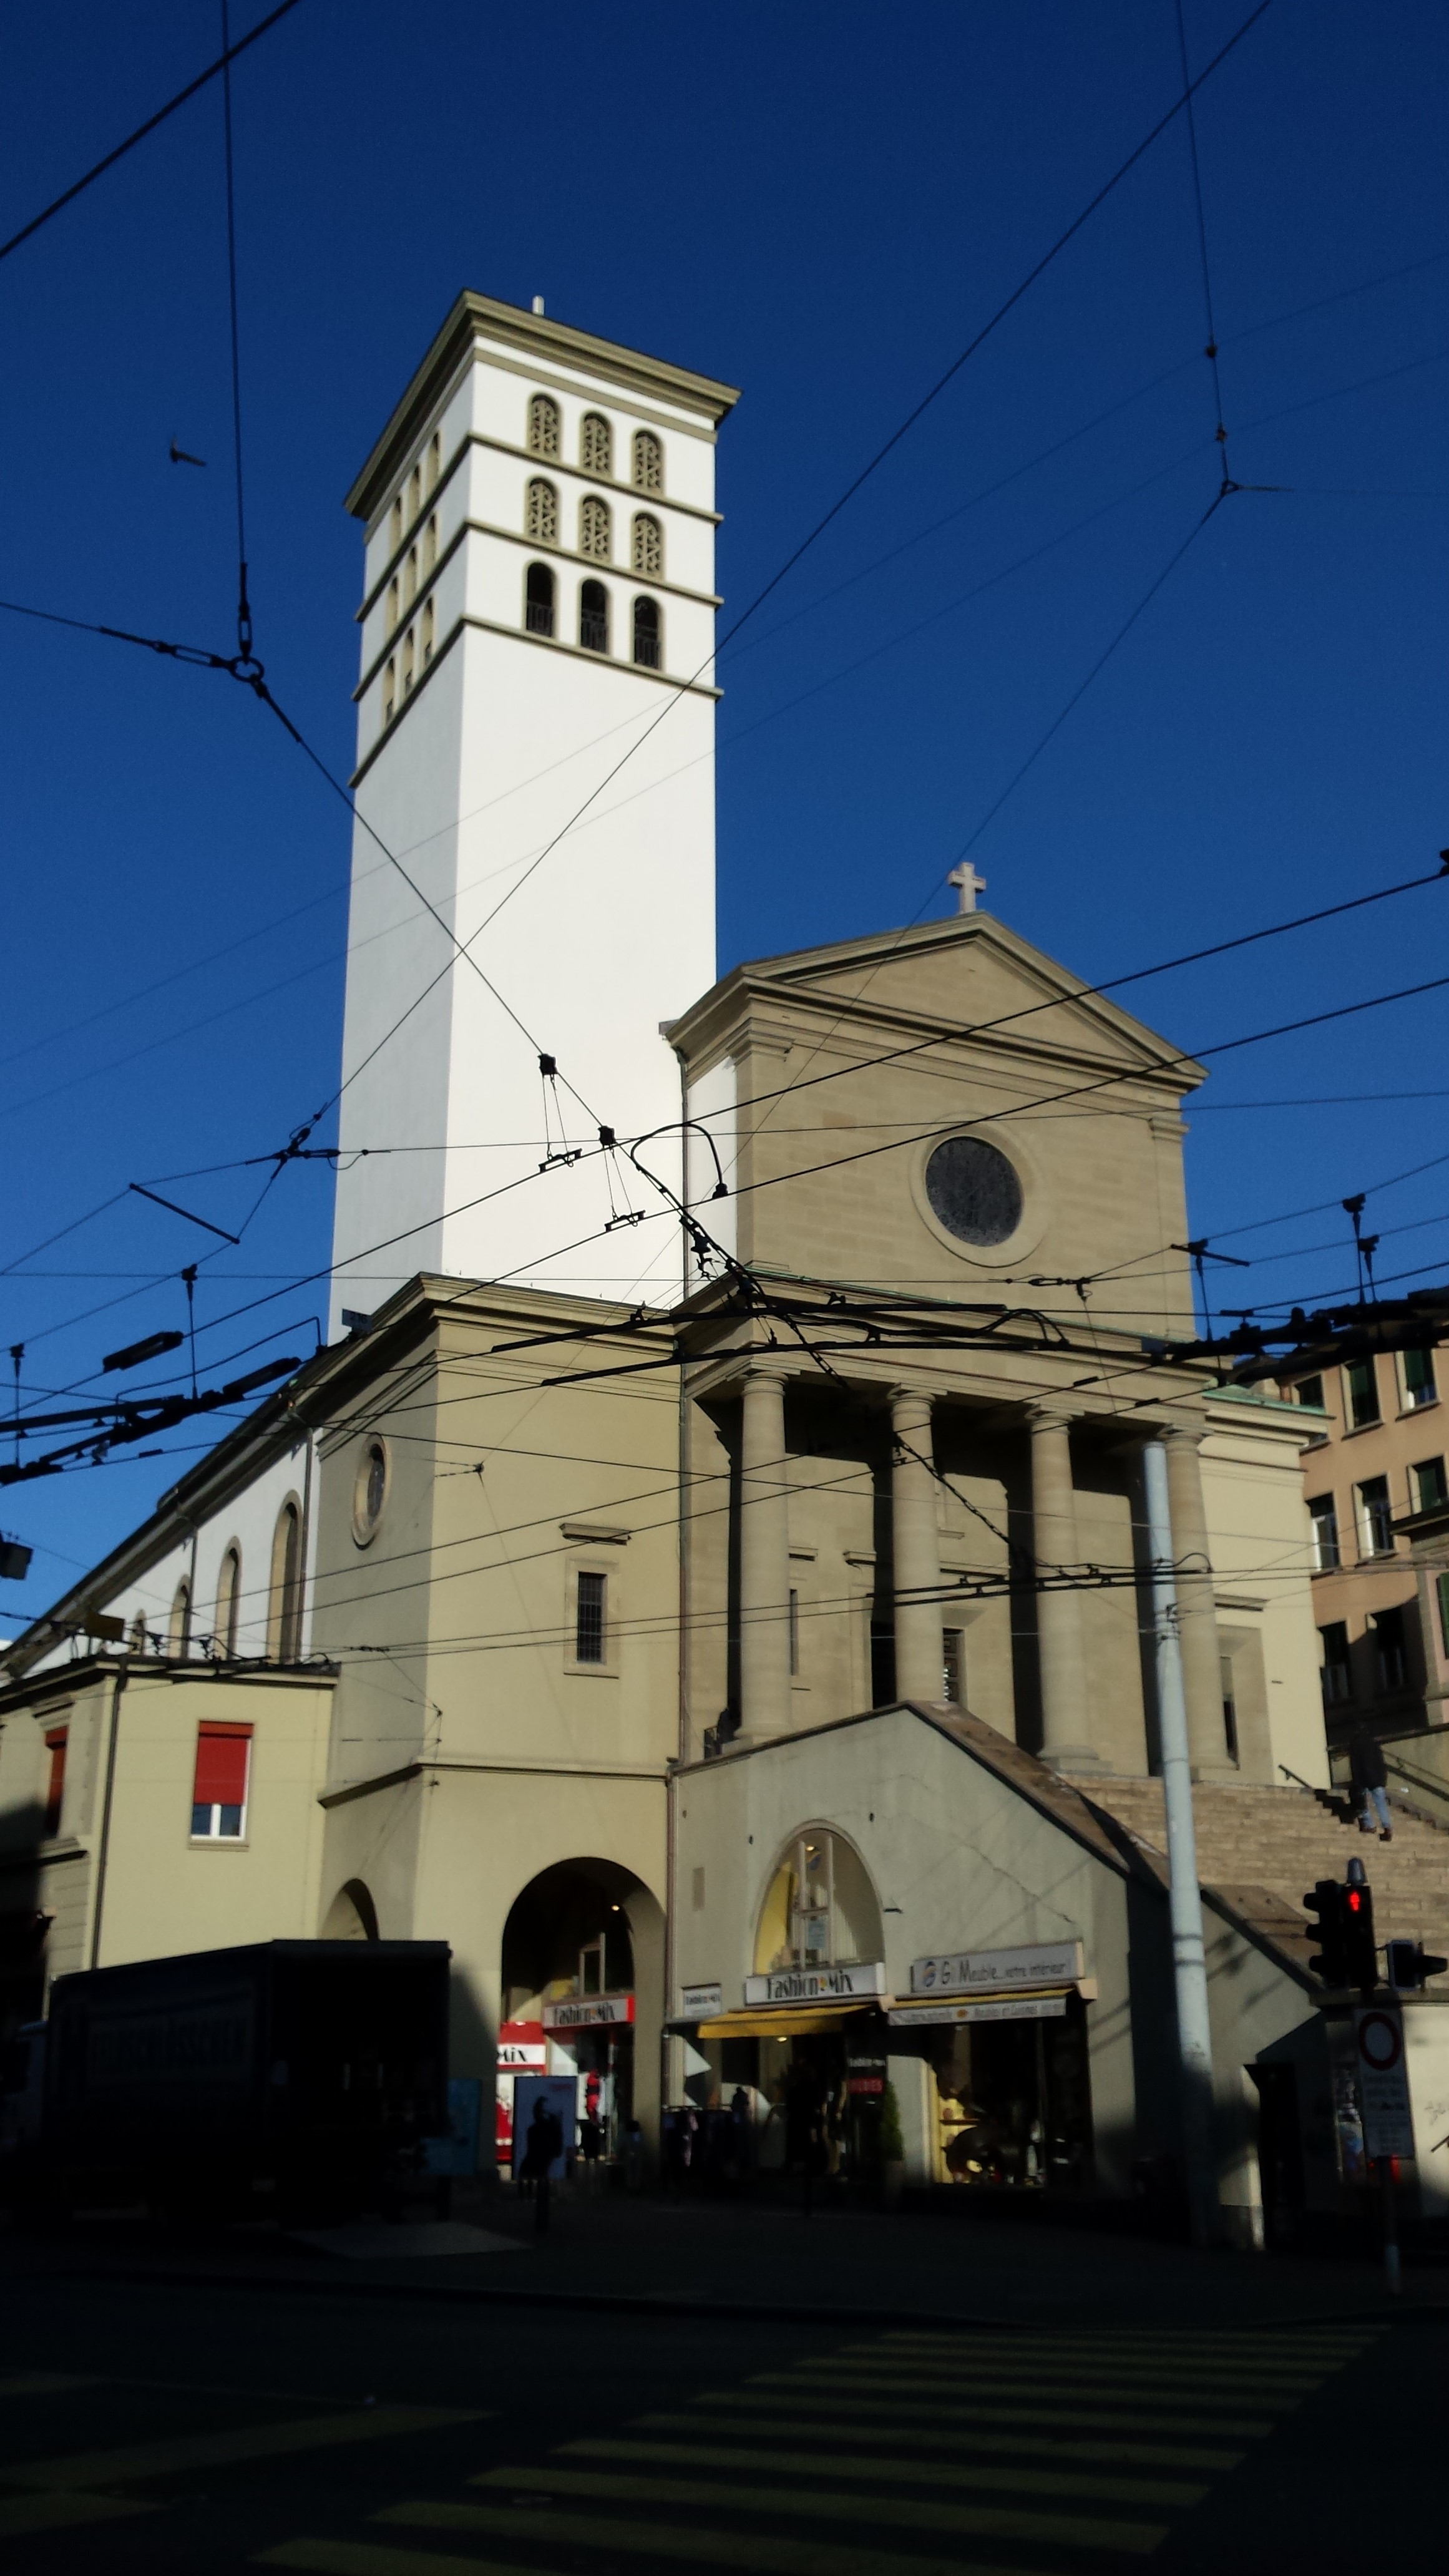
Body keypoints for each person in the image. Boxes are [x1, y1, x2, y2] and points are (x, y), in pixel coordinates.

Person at [523, 2094, 564, 2232]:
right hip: (541, 2164)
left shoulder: (535, 2130)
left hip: (539, 2163)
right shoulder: (545, 2129)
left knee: (542, 2188)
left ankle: (541, 2223)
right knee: (542, 2187)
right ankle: (541, 2224)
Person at [1349, 1719, 1393, 1839]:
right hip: (1378, 1779)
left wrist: (1356, 1782)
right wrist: (1383, 1779)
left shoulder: (1356, 1744)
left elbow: (1356, 1765)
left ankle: (1369, 1825)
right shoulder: (1374, 1743)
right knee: (1381, 1804)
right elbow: (1381, 1763)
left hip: (1364, 1779)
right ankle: (1387, 1826)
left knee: (1363, 1802)